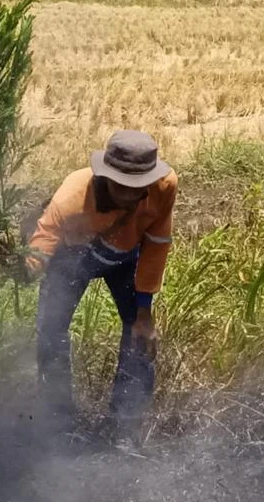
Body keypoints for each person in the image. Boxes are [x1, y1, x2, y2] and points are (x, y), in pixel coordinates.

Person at [24, 129, 178, 434]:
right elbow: (43, 241)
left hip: (126, 256)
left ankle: (126, 428)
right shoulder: (71, 197)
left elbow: (157, 242)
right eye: (123, 187)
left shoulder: (164, 186)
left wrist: (144, 312)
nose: (132, 194)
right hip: (73, 256)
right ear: (105, 175)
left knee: (140, 337)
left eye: (139, 187)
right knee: (51, 329)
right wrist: (25, 268)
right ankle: (59, 422)